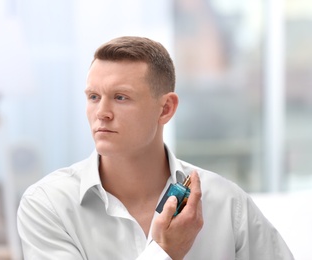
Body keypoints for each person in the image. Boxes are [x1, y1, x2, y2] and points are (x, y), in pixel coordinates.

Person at [17, 36, 294, 259]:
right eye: (93, 97)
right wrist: (165, 253)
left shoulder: (226, 203)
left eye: (121, 97)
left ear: (166, 108)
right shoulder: (48, 205)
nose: (101, 112)